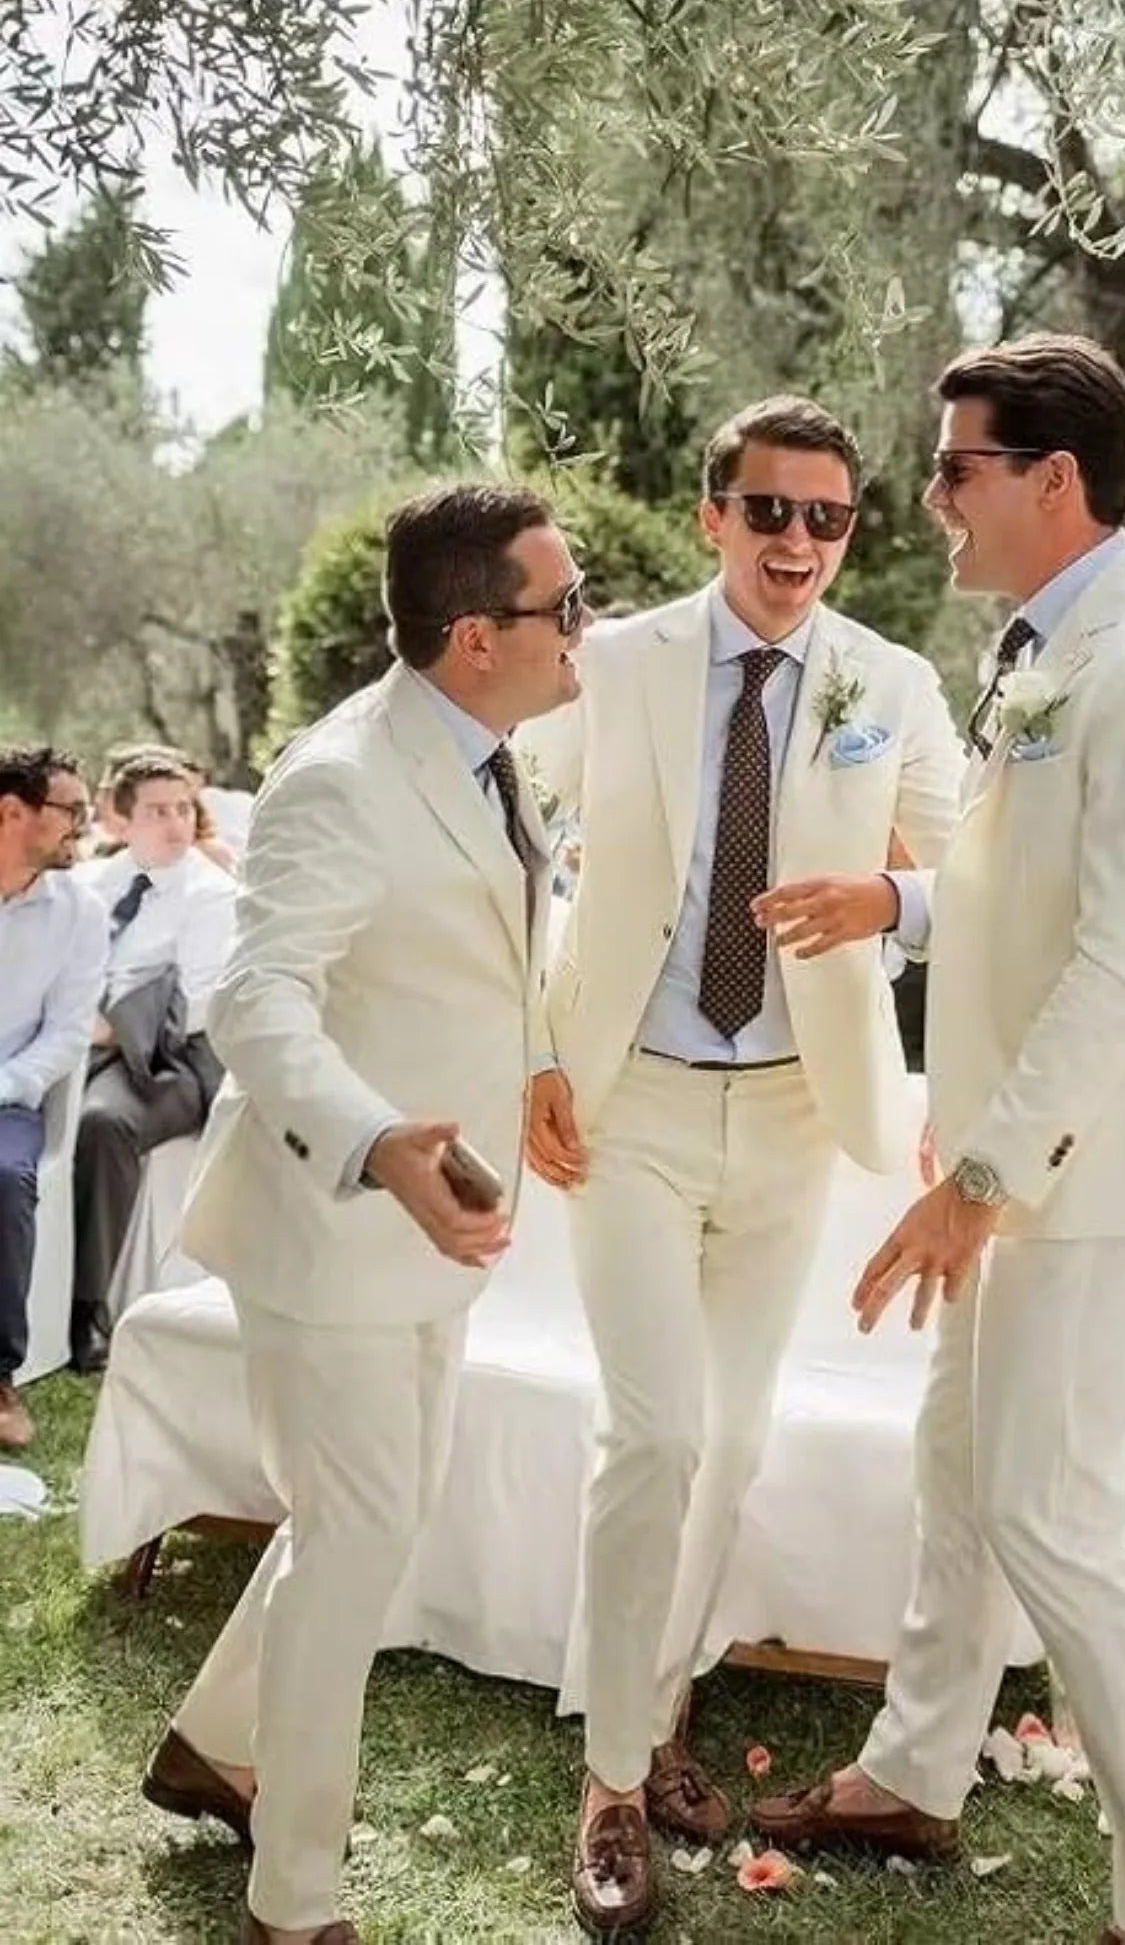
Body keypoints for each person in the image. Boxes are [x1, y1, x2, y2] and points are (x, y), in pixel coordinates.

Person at [750, 335, 1125, 1945]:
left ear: (1053, 480)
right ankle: (912, 1774)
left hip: (1082, 1170)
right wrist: (891, 899)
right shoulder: (1049, 646)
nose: (934, 499)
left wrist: (981, 1178)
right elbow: (1027, 885)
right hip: (1013, 1149)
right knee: (958, 1472)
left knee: (1049, 1515)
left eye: (957, 468)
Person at [520, 394, 963, 1937]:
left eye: (826, 519)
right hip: (630, 1100)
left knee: (733, 1439)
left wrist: (888, 900)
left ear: (852, 533)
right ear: (715, 515)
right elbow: (513, 837)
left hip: (791, 1112)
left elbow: (974, 865)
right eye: (767, 511)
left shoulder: (888, 682)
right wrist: (530, 1054)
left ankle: (657, 1709)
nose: (796, 541)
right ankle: (614, 1782)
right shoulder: (616, 661)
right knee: (650, 1435)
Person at [141, 484, 585, 1945]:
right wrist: (380, 1138)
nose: (583, 630)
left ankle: (218, 1743)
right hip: (334, 1230)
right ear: (475, 637)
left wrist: (529, 1073)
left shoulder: (490, 750)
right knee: (357, 1547)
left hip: (436, 1230)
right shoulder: (341, 776)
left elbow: (473, 953)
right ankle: (297, 1899)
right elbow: (257, 1002)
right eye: (561, 607)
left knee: (364, 1534)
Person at [70, 753, 239, 1370]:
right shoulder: (93, 882)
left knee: (102, 1124)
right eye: (158, 811)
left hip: (170, 1061)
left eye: (184, 808)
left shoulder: (211, 895)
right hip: (78, 1041)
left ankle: (88, 1309)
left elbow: (190, 1007)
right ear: (121, 820)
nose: (176, 823)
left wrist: (104, 1022)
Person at [0, 747, 107, 1448]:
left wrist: (6, 1085)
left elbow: (70, 1033)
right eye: (71, 810)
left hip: (8, 1097)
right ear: (13, 812)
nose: (85, 824)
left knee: (5, 1181)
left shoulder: (81, 910)